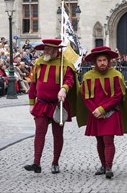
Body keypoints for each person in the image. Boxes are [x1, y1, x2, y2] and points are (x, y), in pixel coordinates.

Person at [76, 46, 127, 179]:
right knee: (99, 140)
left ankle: (108, 167)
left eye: (104, 60)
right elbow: (86, 96)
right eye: (99, 60)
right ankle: (103, 164)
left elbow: (118, 96)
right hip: (95, 113)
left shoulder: (116, 75)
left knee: (108, 139)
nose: (102, 63)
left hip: (111, 112)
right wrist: (95, 110)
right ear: (95, 62)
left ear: (109, 61)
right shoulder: (88, 76)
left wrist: (102, 109)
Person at [24, 39, 78, 174]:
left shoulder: (65, 65)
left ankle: (55, 162)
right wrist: (31, 103)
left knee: (57, 135)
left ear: (56, 50)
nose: (45, 51)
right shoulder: (39, 63)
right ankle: (36, 163)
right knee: (39, 132)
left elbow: (69, 80)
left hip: (58, 104)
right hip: (41, 104)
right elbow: (33, 85)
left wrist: (64, 89)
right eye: (45, 49)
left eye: (49, 49)